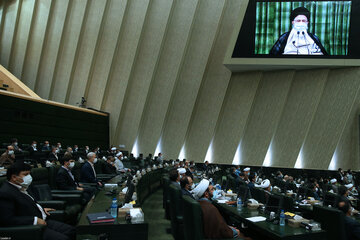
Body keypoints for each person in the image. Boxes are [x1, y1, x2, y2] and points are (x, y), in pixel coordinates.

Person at [0, 163, 75, 240]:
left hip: (42, 219)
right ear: (14, 177)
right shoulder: (5, 193)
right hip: (31, 228)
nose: (29, 177)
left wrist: (39, 208)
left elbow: (25, 204)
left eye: (29, 174)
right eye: (25, 174)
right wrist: (34, 220)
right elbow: (7, 220)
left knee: (71, 230)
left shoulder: (22, 186)